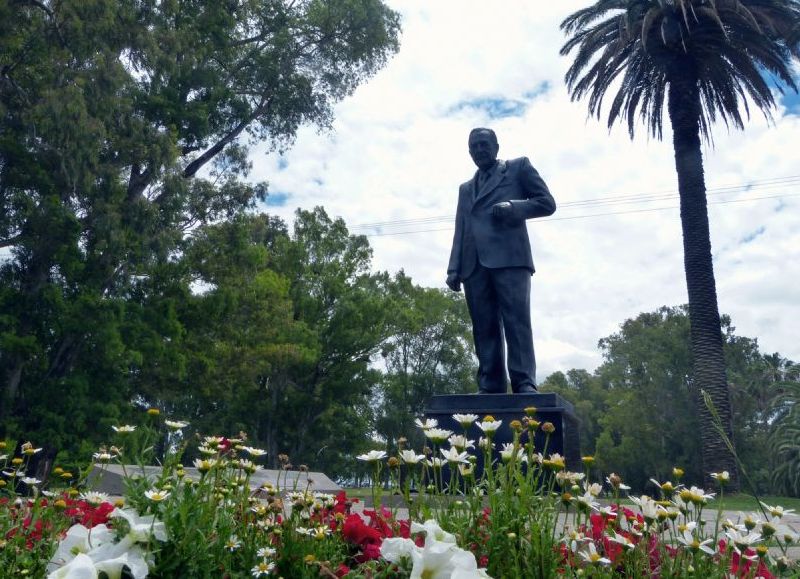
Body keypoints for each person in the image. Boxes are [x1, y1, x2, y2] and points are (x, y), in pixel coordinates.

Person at [446, 128, 556, 393]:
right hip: (473, 266)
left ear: (496, 146)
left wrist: (514, 208)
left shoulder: (518, 168)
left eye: (484, 144)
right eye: (474, 147)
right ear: (469, 152)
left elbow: (547, 203)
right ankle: (490, 384)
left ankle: (524, 382)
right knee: (483, 327)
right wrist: (454, 268)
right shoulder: (465, 189)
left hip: (510, 259)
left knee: (516, 322)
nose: (479, 150)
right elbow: (461, 228)